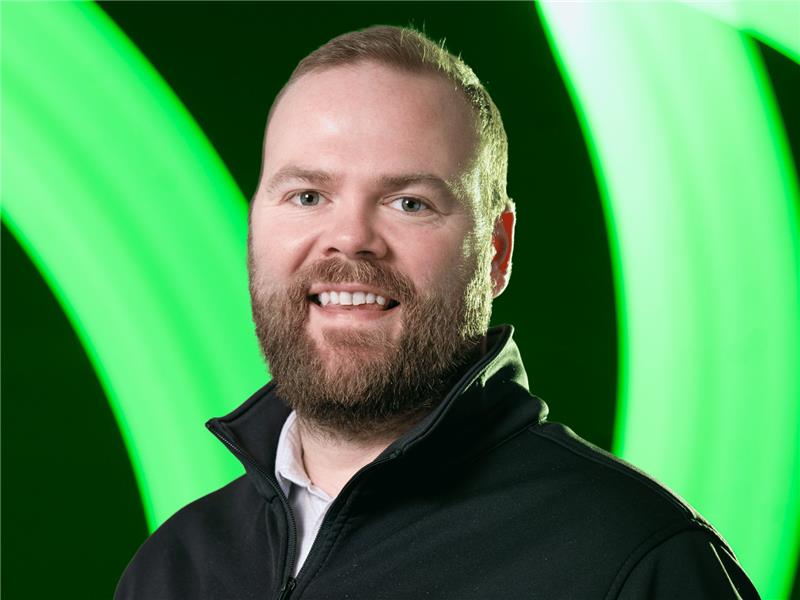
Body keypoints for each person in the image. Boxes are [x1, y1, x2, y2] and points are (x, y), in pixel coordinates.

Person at [116, 25, 759, 599]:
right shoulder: (173, 569)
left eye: (410, 203)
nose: (350, 238)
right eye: (308, 195)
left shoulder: (635, 560)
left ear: (496, 251)